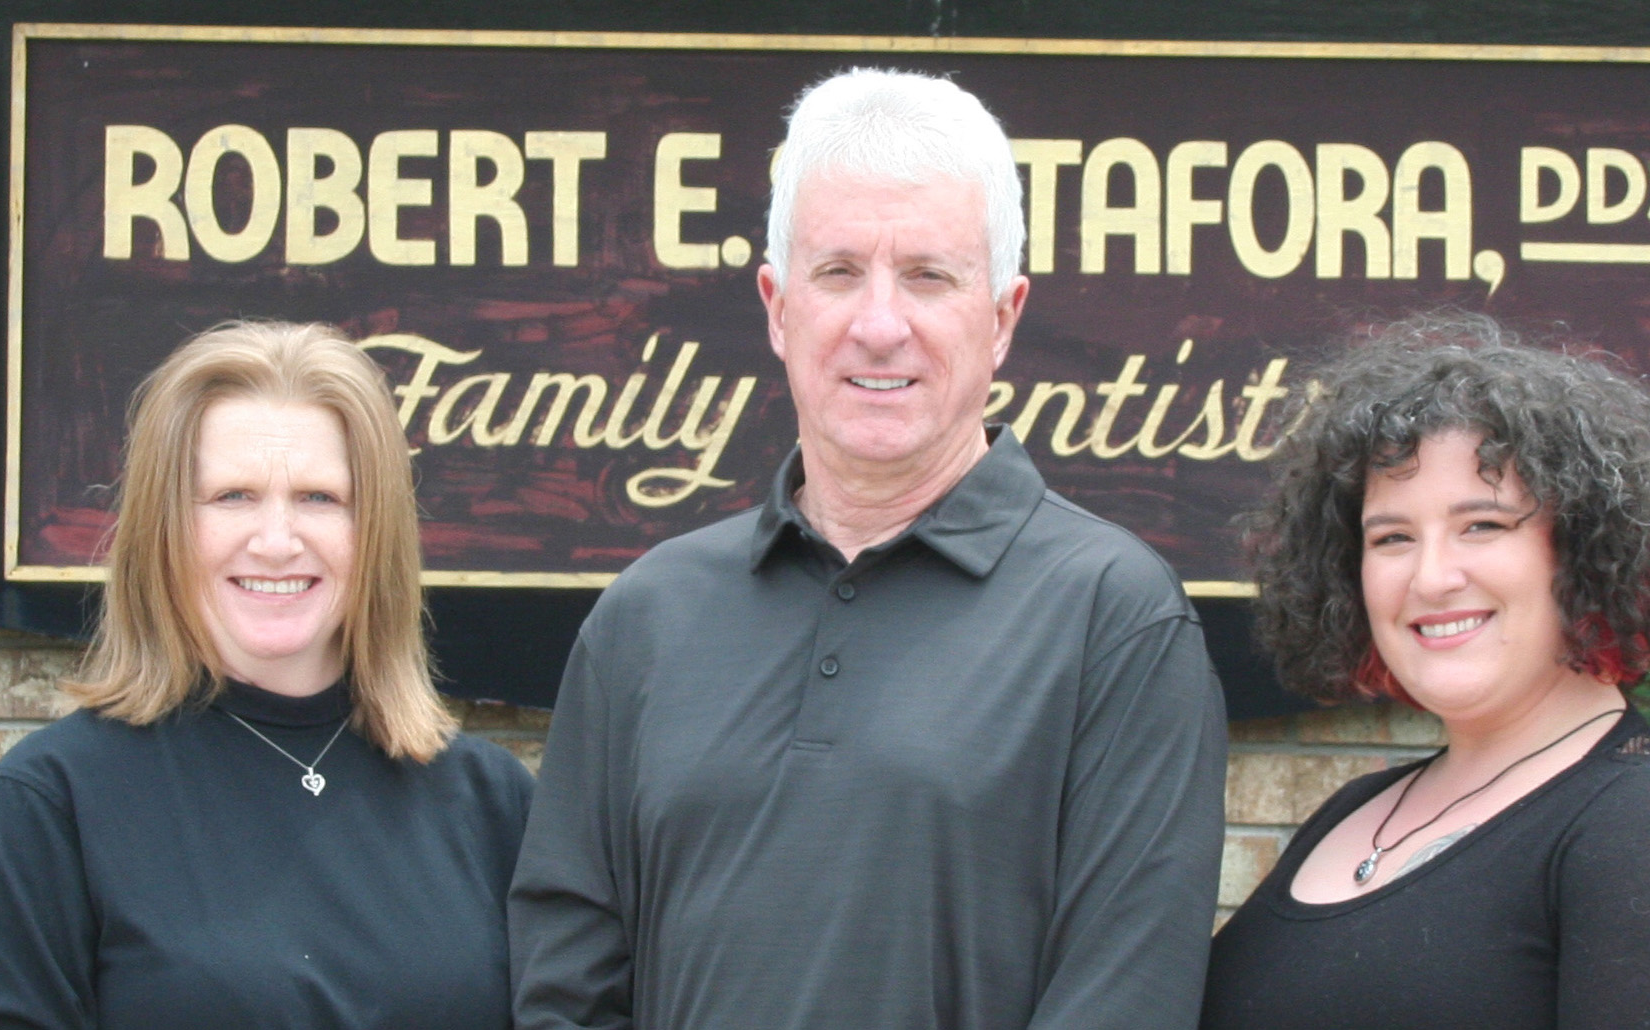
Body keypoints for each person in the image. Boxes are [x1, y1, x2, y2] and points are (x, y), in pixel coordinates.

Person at [509, 68, 1227, 1029]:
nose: (879, 325)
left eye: (928, 276)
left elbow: (1124, 997)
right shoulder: (647, 615)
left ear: (1003, 317)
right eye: (838, 271)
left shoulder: (1116, 620)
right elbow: (566, 980)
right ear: (775, 305)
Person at [0, 321, 535, 1029]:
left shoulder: (493, 805)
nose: (278, 542)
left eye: (320, 497)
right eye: (232, 497)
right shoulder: (52, 802)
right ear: (165, 527)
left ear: (375, 529)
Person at [1201, 312, 1650, 1029]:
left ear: (1581, 549)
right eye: (1391, 537)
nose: (1431, 576)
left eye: (1482, 524)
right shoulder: (1354, 810)